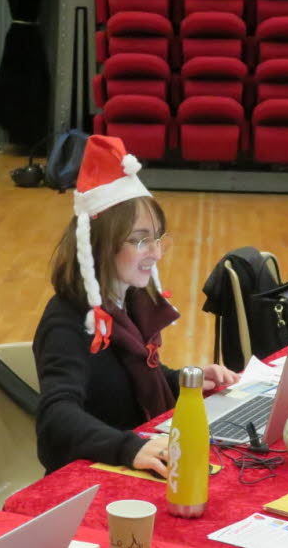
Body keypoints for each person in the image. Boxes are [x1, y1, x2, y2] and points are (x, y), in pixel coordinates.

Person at [34, 135, 240, 475]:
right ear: (101, 244)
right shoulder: (67, 321)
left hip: (136, 453)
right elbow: (56, 418)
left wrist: (184, 380)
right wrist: (129, 448)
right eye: (140, 240)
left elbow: (130, 383)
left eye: (157, 238)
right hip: (95, 473)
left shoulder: (129, 301)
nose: (156, 253)